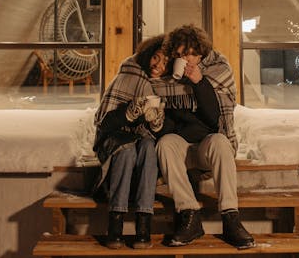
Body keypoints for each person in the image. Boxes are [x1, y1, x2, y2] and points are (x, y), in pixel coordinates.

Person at [152, 24, 255, 249]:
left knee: (219, 141)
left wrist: (199, 83)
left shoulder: (218, 69)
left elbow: (214, 119)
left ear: (200, 53)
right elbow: (168, 123)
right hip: (183, 146)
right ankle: (189, 215)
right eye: (178, 55)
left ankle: (231, 218)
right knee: (166, 143)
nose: (184, 59)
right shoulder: (166, 79)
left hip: (209, 146)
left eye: (189, 53)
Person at [92, 35, 168, 249]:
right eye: (156, 58)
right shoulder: (128, 73)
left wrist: (156, 122)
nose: (158, 66)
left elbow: (161, 133)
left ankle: (144, 226)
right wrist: (130, 112)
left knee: (148, 148)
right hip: (115, 139)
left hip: (141, 141)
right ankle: (114, 225)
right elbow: (104, 123)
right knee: (126, 152)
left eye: (165, 63)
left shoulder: (166, 86)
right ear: (147, 55)